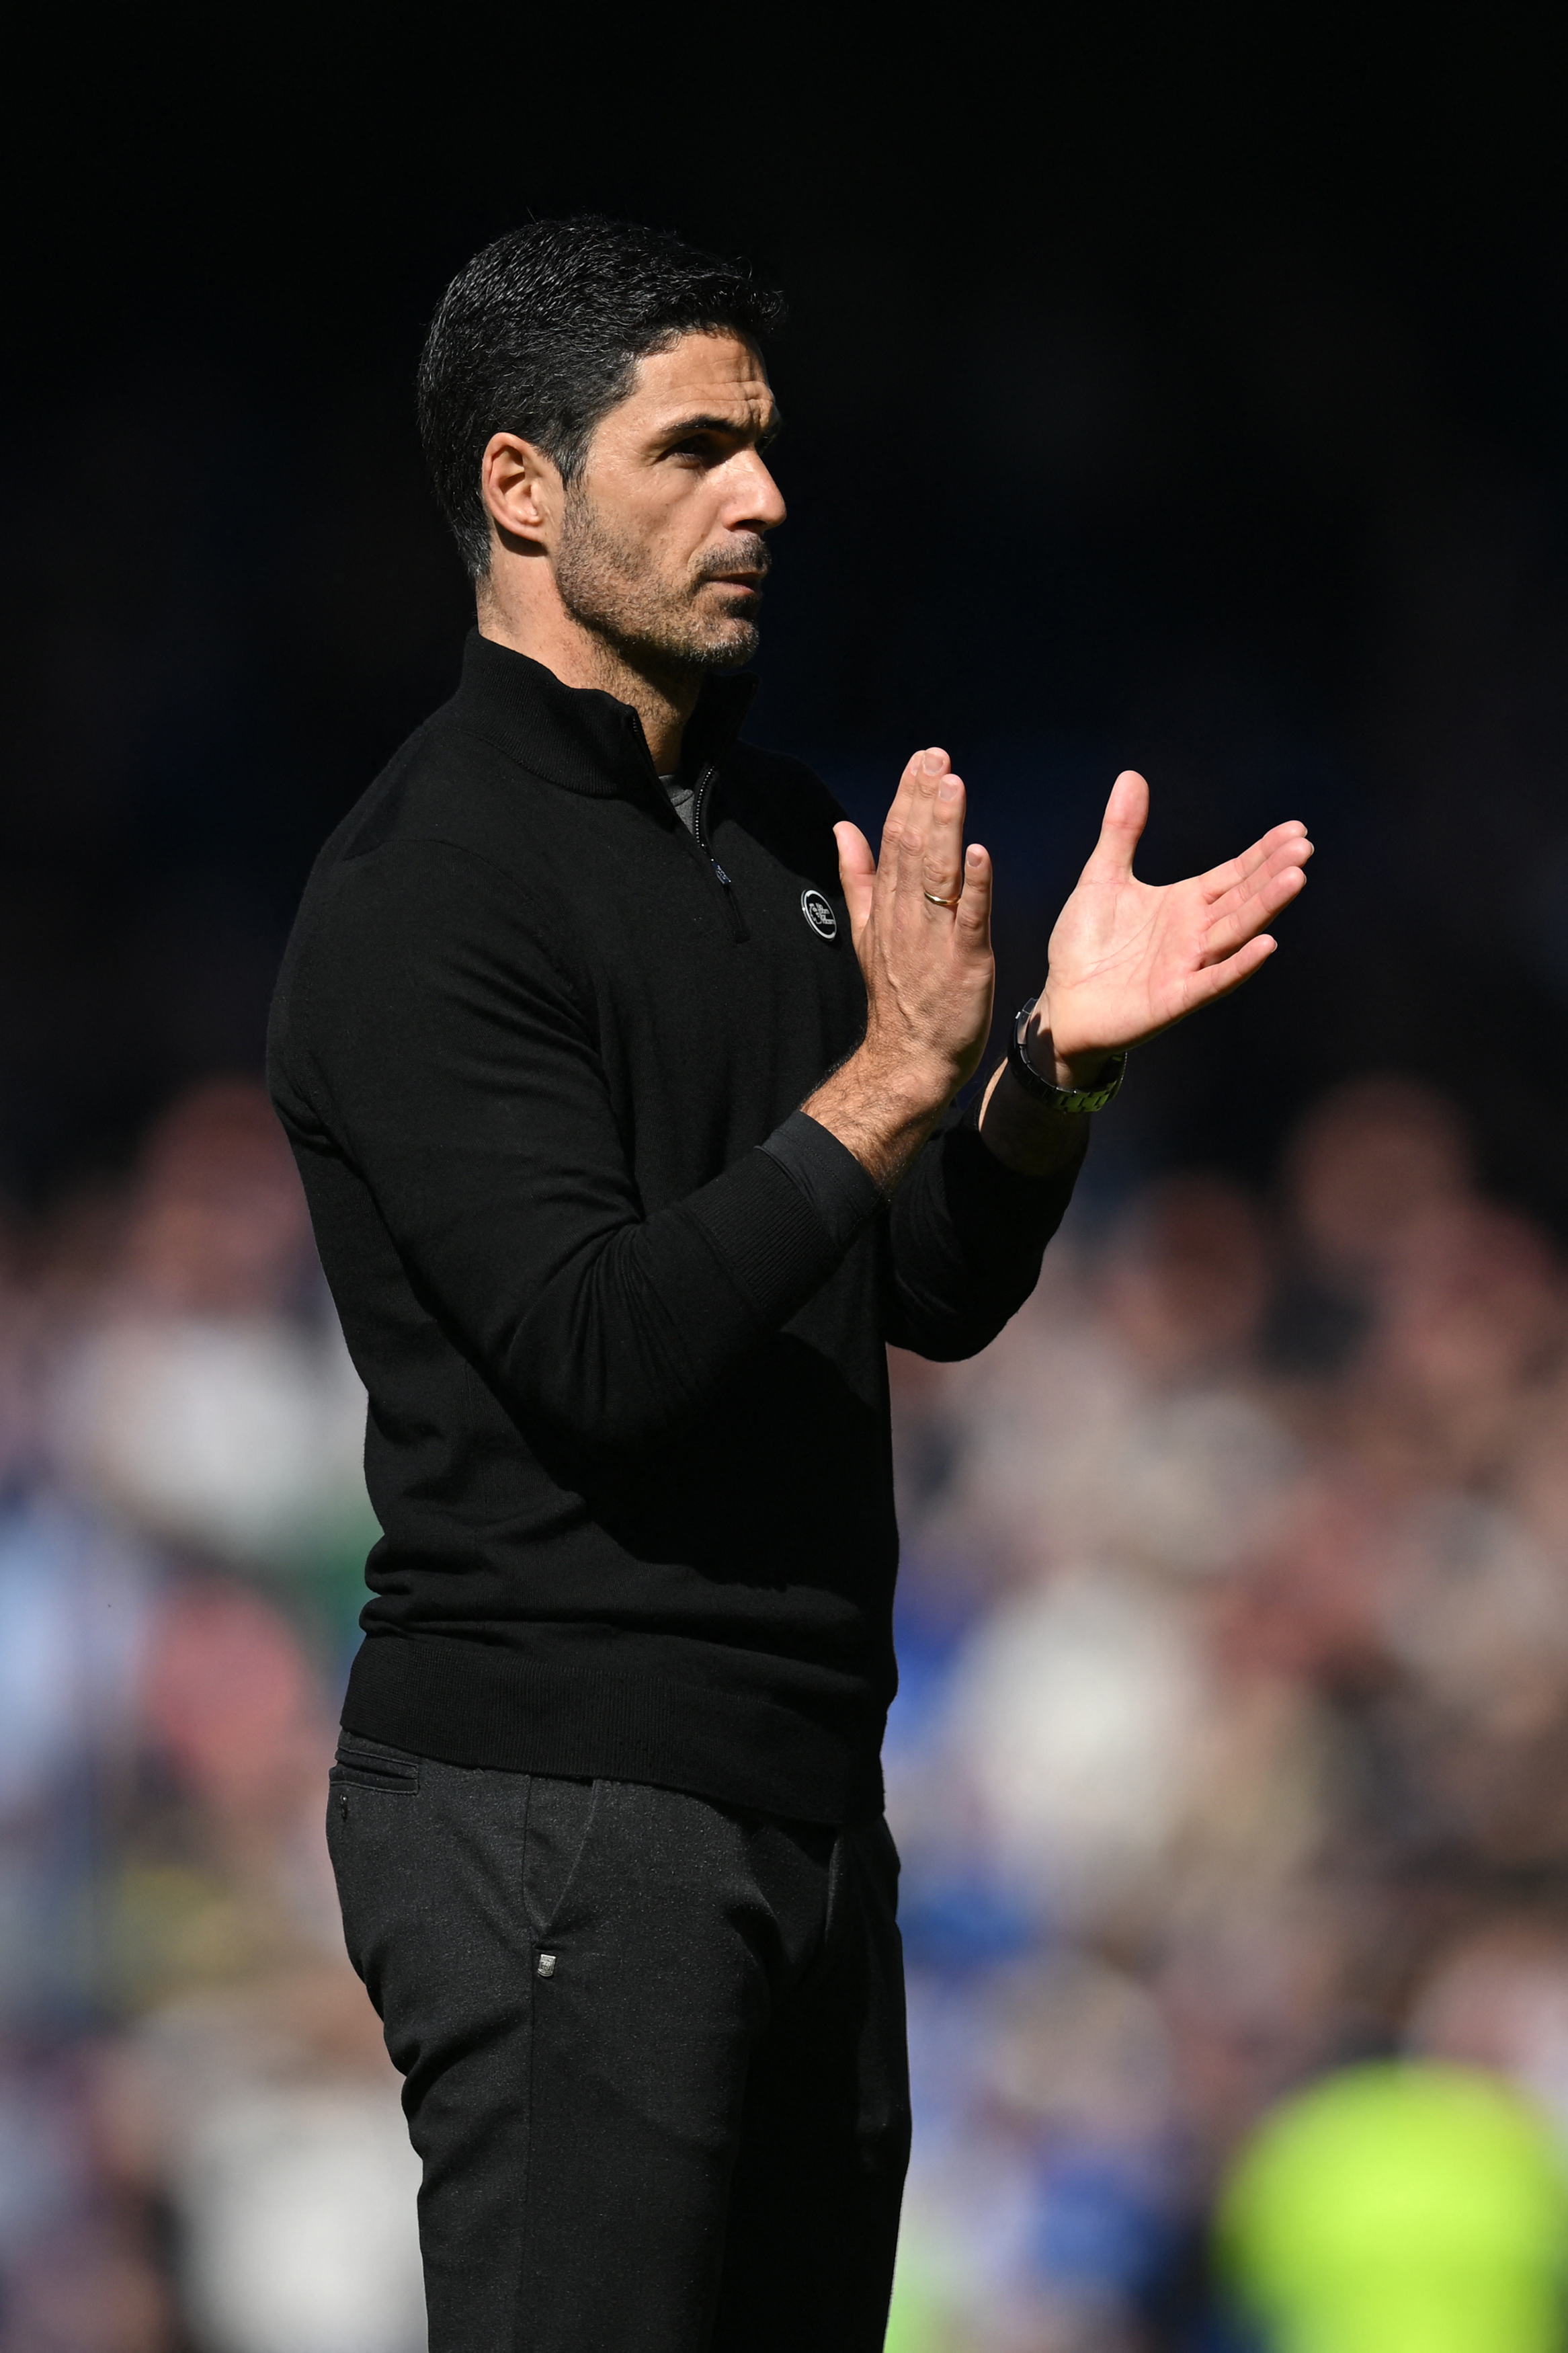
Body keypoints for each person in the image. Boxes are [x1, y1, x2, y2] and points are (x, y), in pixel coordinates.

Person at [267, 216, 1313, 2353]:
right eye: (696, 449)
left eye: (770, 447)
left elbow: (910, 1284)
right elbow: (605, 1348)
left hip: (807, 1790)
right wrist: (904, 1072)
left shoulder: (772, 834)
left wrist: (1041, 1077)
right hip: (562, 1804)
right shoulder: (422, 890)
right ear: (522, 489)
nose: (764, 498)